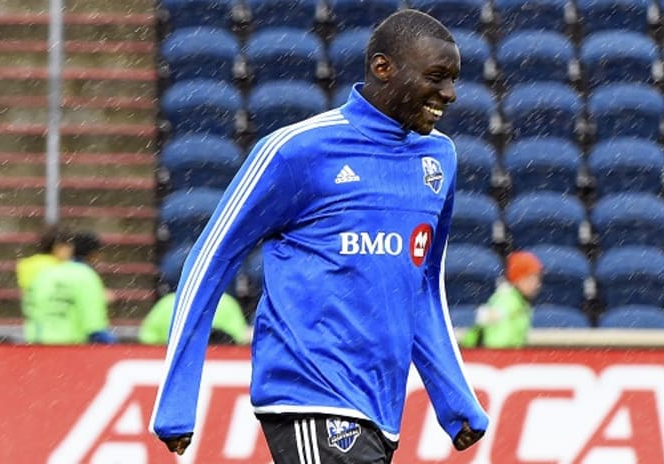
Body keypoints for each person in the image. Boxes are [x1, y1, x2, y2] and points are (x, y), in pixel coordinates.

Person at [150, 9, 488, 462]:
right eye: (436, 77)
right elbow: (211, 259)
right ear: (382, 67)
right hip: (311, 393)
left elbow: (421, 285)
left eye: (453, 80)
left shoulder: (438, 160)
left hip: (381, 405)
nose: (449, 94)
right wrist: (176, 400)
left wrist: (453, 396)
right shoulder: (297, 151)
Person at [22, 231, 116, 344]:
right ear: (94, 255)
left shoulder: (44, 274)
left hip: (34, 345)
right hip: (68, 347)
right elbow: (94, 326)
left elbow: (31, 308)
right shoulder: (86, 276)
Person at [462, 251, 543, 349]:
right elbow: (497, 345)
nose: (536, 284)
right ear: (517, 279)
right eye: (530, 278)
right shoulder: (507, 301)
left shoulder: (518, 301)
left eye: (537, 278)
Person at [138, 291, 252, 345]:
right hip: (219, 363)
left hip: (173, 363)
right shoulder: (227, 302)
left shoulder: (167, 303)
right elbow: (239, 338)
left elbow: (147, 339)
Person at [15, 225, 74, 293]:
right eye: (69, 245)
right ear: (58, 247)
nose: (71, 250)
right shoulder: (59, 269)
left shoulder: (26, 265)